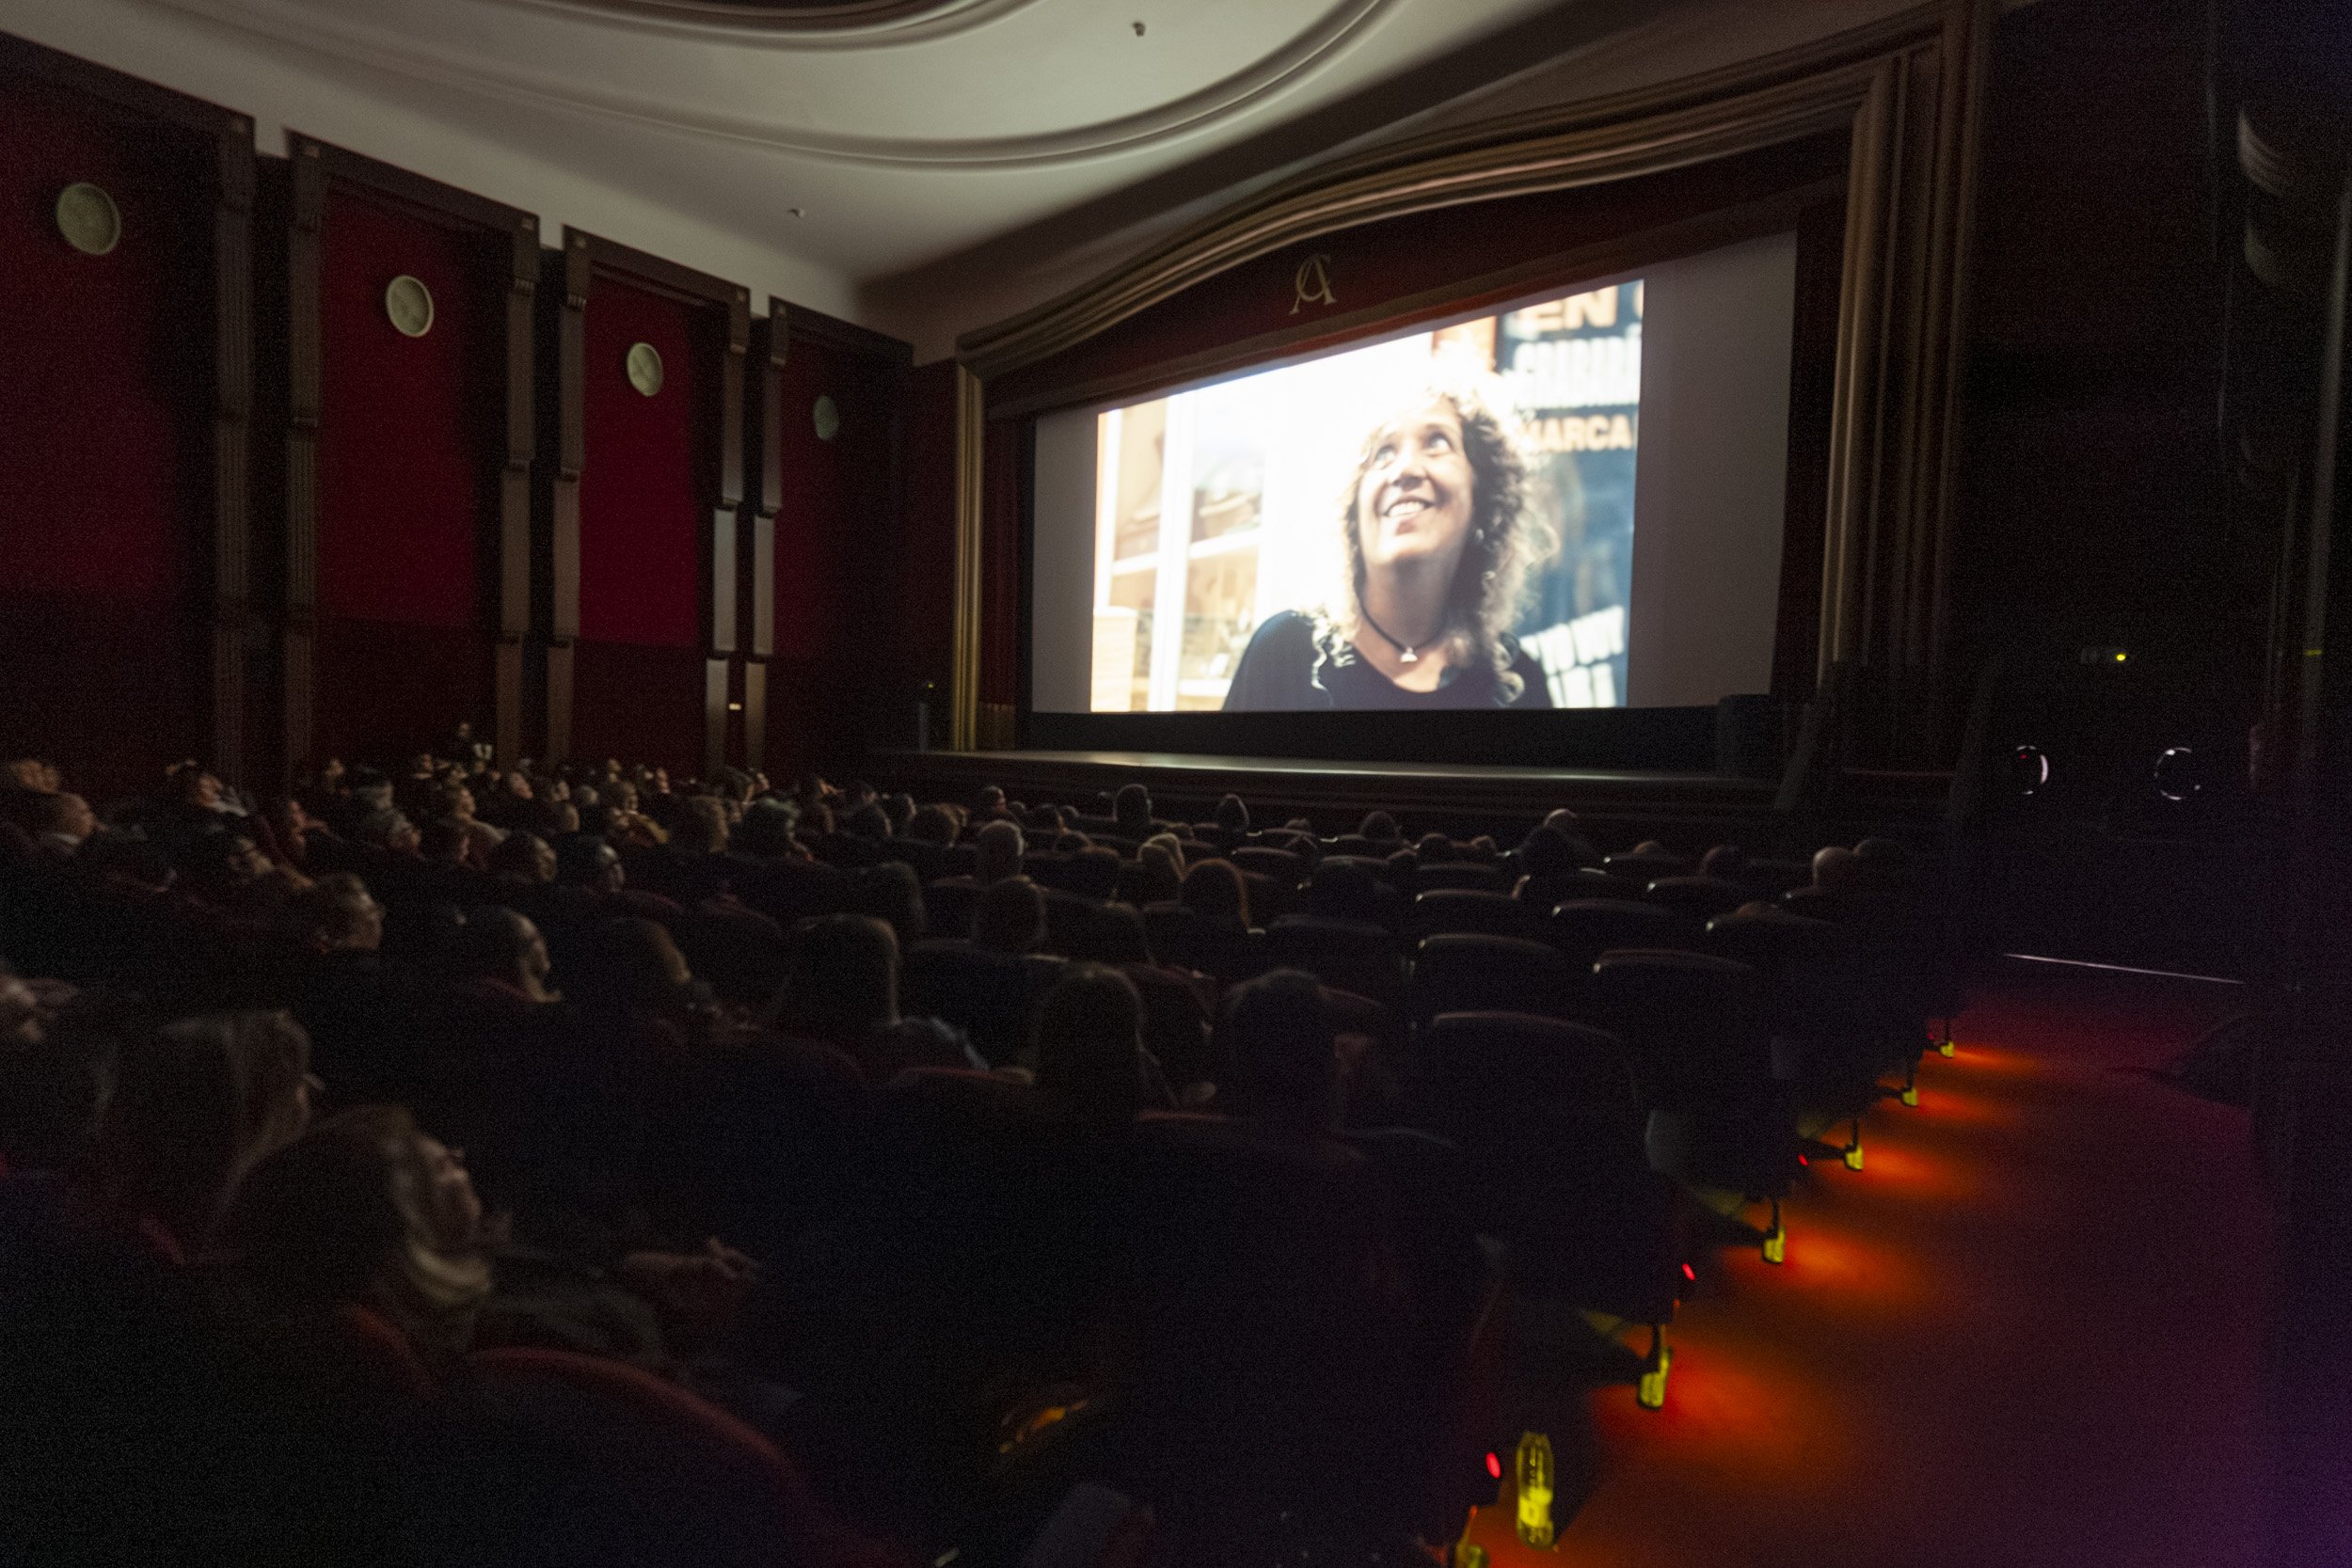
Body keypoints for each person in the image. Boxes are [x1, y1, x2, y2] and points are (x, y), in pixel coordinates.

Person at [1223, 377, 1554, 711]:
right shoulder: (1284, 651)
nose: (1405, 469)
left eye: (1437, 442)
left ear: (1484, 500)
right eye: (1382, 452)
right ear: (1351, 511)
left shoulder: (1517, 682)